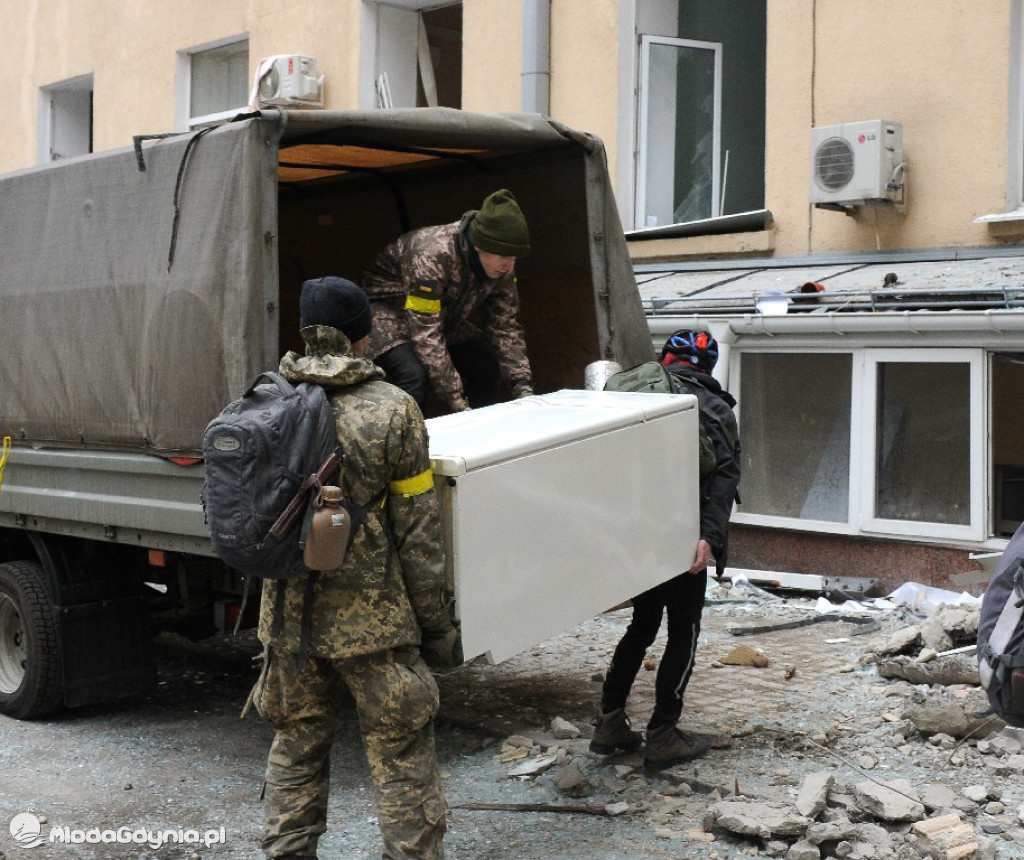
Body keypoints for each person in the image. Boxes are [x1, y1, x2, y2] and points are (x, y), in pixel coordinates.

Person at [251, 276, 461, 860]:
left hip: (288, 624)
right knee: (401, 757)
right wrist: (436, 628)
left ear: (304, 330)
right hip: (376, 628)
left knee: (295, 748)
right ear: (364, 335)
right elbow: (419, 534)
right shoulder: (394, 410)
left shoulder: (264, 401)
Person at [591, 329, 741, 770]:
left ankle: (610, 723)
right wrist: (709, 539)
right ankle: (663, 734)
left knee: (642, 623)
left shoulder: (634, 399)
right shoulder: (714, 409)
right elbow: (724, 481)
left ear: (665, 360)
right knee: (684, 631)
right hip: (682, 539)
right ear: (708, 368)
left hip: (638, 535)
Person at [361, 188, 535, 413]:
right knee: (414, 375)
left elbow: (505, 325)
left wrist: (523, 387)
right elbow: (426, 333)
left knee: (485, 366)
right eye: (504, 257)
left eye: (514, 257)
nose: (510, 266)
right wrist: (457, 402)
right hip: (388, 314)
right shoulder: (431, 254)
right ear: (478, 245)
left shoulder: (502, 265)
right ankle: (407, 441)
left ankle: (485, 435)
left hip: (443, 315)